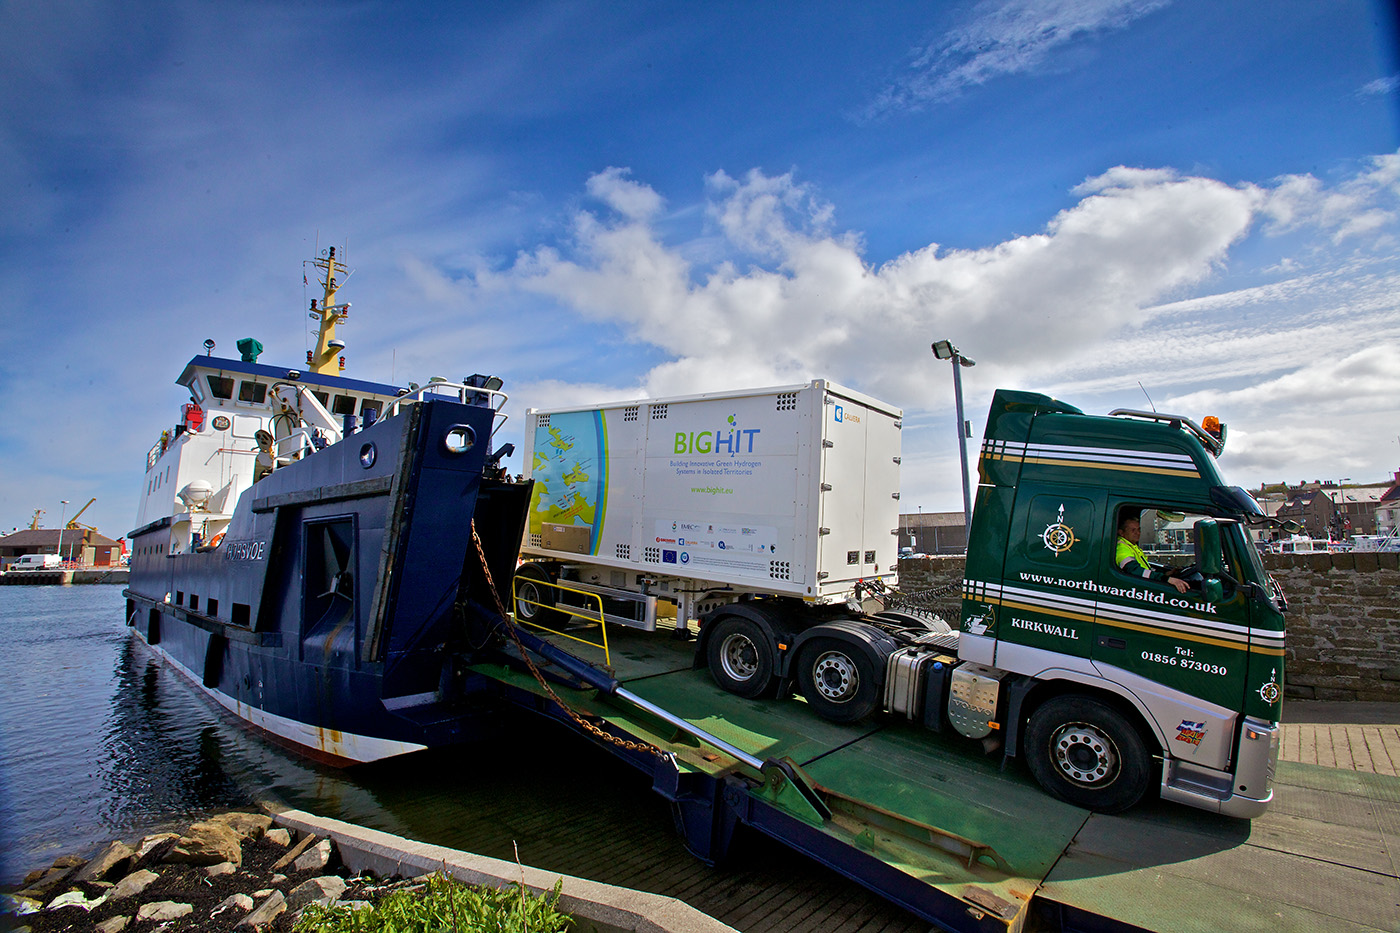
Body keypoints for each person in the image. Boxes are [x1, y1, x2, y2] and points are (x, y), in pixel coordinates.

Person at [1116, 513, 1190, 593]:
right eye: (1133, 530)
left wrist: (1167, 573)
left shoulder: (1132, 546)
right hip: (1137, 590)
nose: (1137, 533)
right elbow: (1135, 570)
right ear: (1121, 532)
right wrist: (1167, 579)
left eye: (1139, 530)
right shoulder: (1121, 548)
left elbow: (1147, 568)